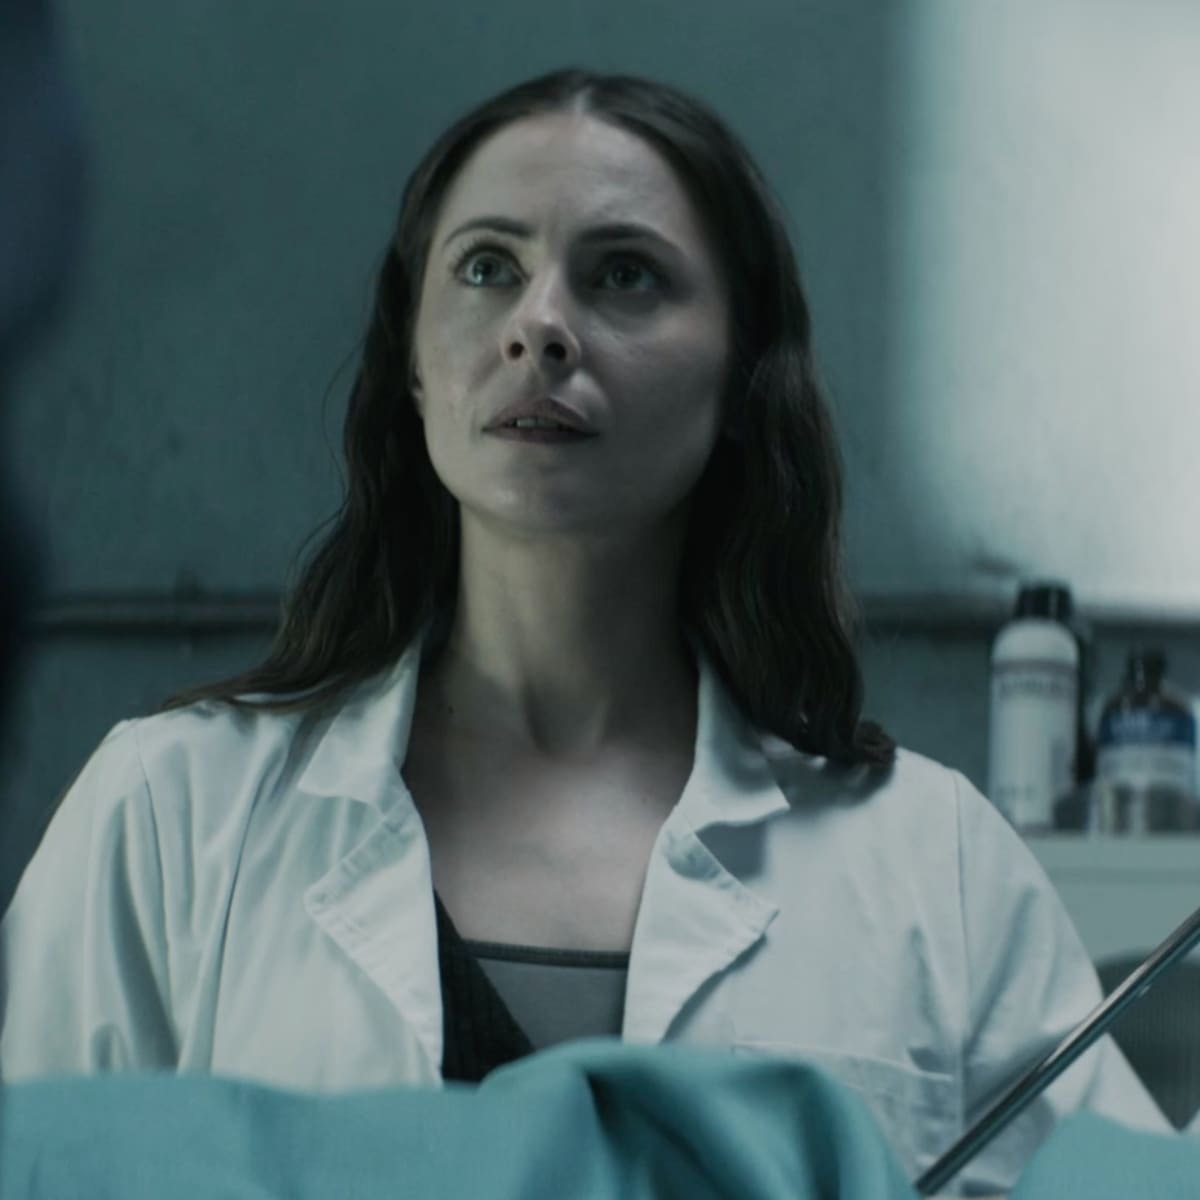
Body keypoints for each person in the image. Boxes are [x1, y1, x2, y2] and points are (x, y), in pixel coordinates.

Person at [0, 43, 1177, 1194]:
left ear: (742, 376)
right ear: (413, 362)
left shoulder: (935, 863)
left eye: (624, 275)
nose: (540, 326)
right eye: (486, 268)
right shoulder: (169, 815)